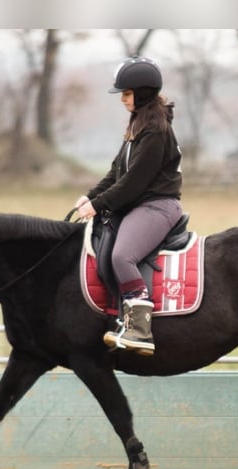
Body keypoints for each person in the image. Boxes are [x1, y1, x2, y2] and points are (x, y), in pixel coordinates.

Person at [74, 56, 183, 356]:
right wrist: (90, 196)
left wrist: (98, 205)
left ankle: (139, 329)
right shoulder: (138, 124)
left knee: (123, 256)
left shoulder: (156, 132)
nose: (122, 99)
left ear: (143, 93)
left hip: (157, 206)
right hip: (138, 205)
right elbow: (115, 172)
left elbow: (133, 183)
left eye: (126, 93)